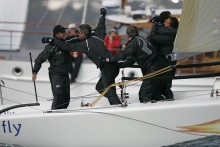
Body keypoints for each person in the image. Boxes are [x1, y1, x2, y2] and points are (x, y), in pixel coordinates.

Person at [42, 8, 121, 105]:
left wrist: (51, 41)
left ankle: (117, 106)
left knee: (108, 90)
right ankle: (117, 102)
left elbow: (66, 46)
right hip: (114, 65)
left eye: (79, 32)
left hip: (107, 67)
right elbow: (101, 24)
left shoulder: (85, 45)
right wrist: (102, 15)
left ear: (83, 34)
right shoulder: (98, 33)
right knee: (100, 87)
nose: (78, 34)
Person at [103, 25, 168, 103]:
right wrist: (116, 65)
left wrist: (109, 59)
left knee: (143, 95)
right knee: (154, 94)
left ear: (127, 34)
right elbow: (130, 61)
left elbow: (124, 54)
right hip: (161, 65)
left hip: (154, 68)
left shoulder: (134, 42)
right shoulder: (141, 40)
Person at [32, 25, 71, 110]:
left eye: (65, 31)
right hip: (56, 74)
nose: (65, 33)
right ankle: (53, 114)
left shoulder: (66, 42)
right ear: (57, 34)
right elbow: (40, 59)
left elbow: (77, 39)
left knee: (66, 98)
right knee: (58, 96)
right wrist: (35, 72)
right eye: (62, 32)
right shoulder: (51, 47)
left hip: (65, 74)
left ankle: (63, 116)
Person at [150, 17, 179, 99]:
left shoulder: (170, 37)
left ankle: (165, 95)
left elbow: (153, 37)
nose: (164, 21)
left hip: (166, 60)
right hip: (170, 60)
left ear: (171, 25)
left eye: (167, 21)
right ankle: (167, 94)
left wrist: (156, 26)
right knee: (167, 79)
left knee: (164, 79)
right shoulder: (173, 34)